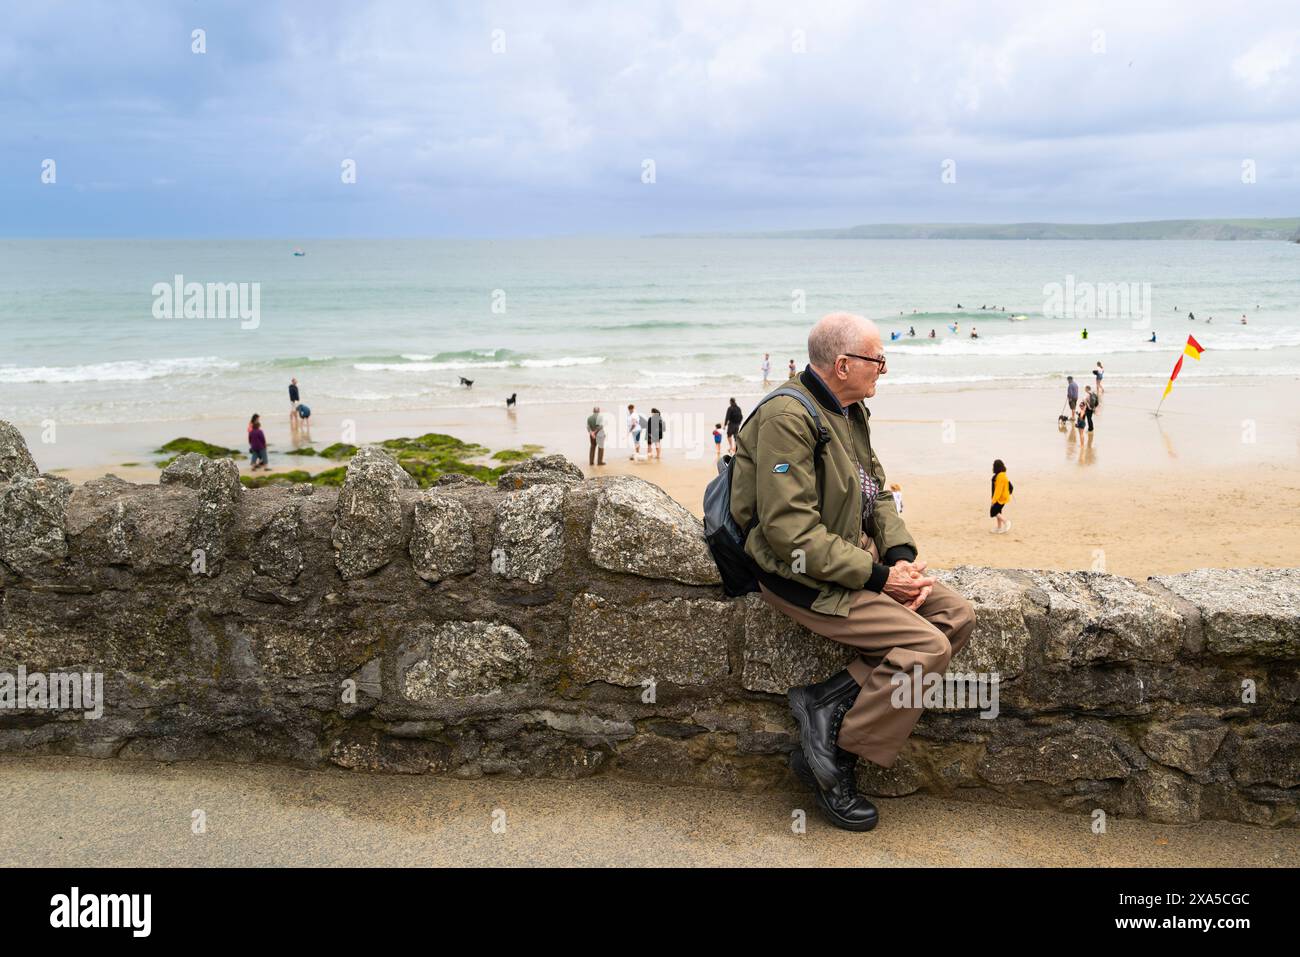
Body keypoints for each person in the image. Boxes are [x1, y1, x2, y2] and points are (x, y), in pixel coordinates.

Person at [728, 312, 975, 832]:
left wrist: (900, 555)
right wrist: (880, 578)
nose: (883, 368)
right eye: (877, 359)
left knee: (956, 615)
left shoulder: (848, 409)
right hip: (798, 575)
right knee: (927, 648)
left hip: (850, 558)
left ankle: (823, 704)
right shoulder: (786, 420)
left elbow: (876, 491)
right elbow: (790, 536)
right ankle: (836, 759)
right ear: (843, 364)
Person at [990, 459, 1013, 534]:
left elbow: (998, 490)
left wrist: (994, 500)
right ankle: (999, 528)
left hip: (1001, 498)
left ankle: (1006, 522)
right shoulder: (1002, 474)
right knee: (998, 511)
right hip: (1002, 497)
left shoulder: (1000, 477)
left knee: (994, 511)